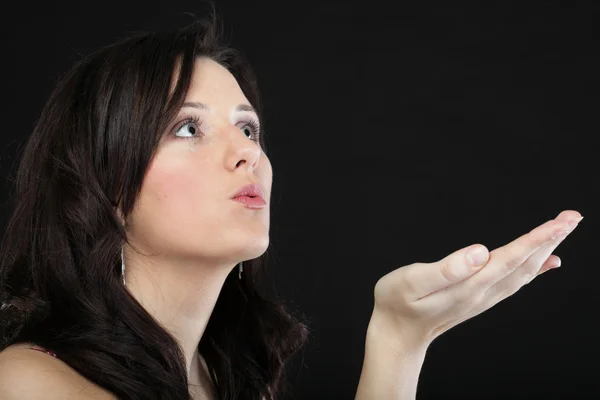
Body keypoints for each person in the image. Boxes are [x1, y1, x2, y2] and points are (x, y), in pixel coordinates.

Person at [0, 10, 584, 400]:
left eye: (249, 130)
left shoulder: (225, 380)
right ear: (105, 184)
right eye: (186, 128)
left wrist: (401, 337)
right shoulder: (29, 382)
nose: (246, 155)